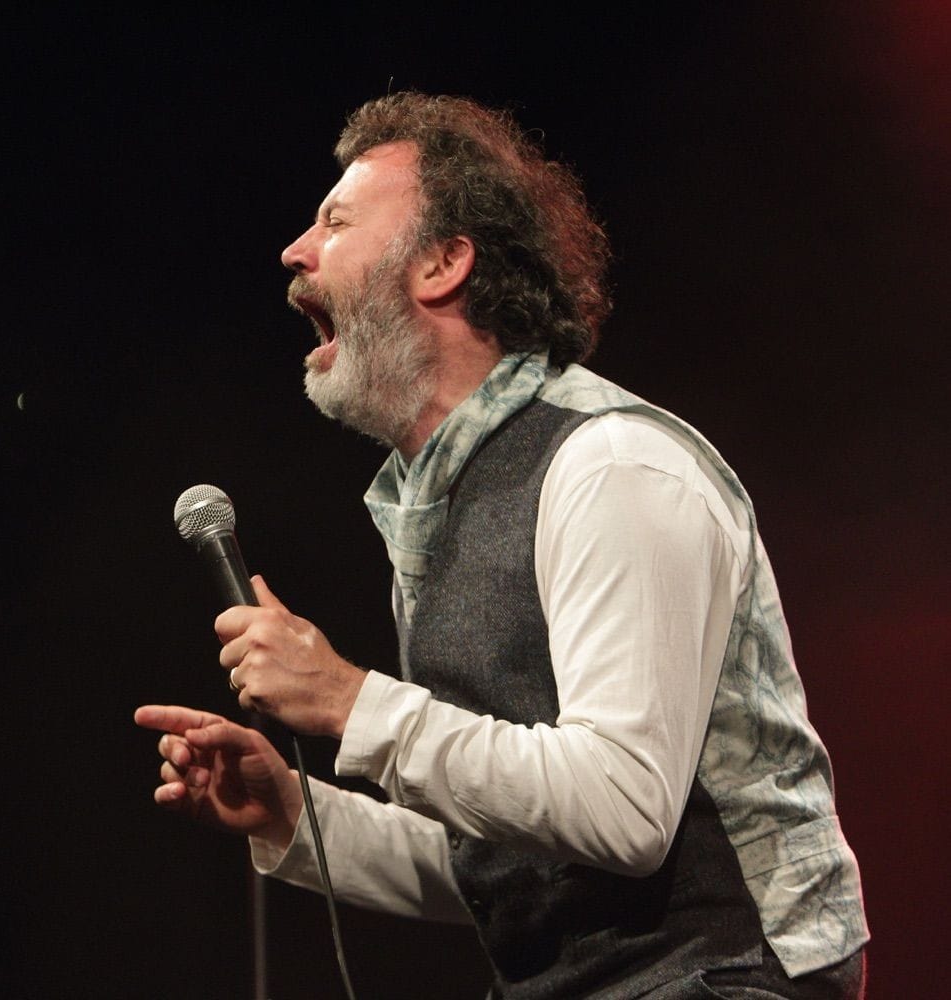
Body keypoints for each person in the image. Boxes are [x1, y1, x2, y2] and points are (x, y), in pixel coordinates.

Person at [135, 93, 868, 998]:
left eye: (335, 220)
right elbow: (516, 861)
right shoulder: (438, 514)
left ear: (444, 263)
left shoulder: (611, 467)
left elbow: (624, 808)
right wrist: (299, 816)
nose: (296, 249)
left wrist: (352, 701)